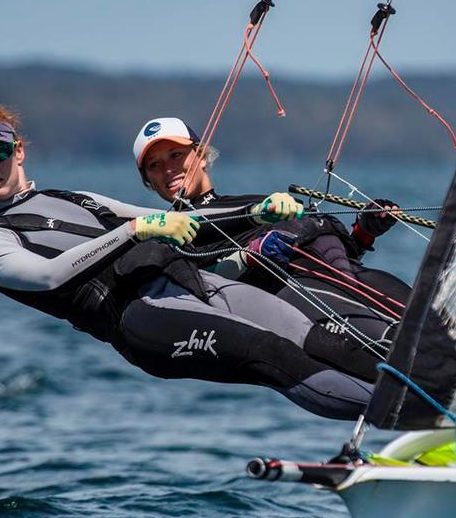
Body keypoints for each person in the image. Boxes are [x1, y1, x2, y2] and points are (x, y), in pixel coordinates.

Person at [0, 103, 381, 420]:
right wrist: (133, 232)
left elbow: (177, 220)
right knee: (271, 353)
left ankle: (424, 395)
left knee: (314, 336)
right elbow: (49, 276)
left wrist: (255, 213)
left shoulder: (72, 197)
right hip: (142, 317)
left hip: (192, 283)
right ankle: (409, 416)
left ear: (18, 151)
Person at [132, 117, 412, 350]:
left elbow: (333, 258)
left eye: (176, 155)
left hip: (344, 274)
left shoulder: (249, 201)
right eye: (154, 165)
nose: (168, 168)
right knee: (391, 339)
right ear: (148, 182)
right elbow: (200, 283)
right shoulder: (173, 231)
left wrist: (363, 232)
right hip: (298, 292)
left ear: (202, 156)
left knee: (429, 319)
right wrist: (249, 256)